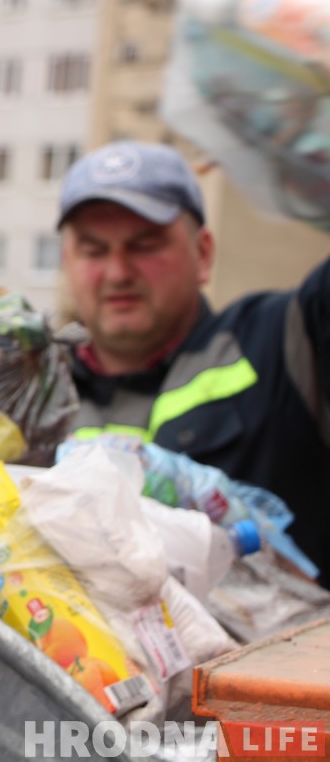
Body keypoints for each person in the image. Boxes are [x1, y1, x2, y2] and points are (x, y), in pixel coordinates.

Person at [57, 139, 329, 586]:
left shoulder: (285, 339)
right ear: (67, 262)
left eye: (145, 245)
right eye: (93, 250)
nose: (118, 272)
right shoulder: (32, 392)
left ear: (203, 253)